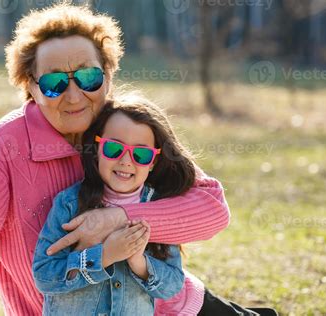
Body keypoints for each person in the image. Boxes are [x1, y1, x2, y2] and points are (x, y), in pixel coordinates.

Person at [0, 4, 232, 315]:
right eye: (54, 83)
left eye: (88, 77)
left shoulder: (126, 131)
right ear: (31, 88)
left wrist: (118, 217)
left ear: (108, 75)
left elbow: (212, 210)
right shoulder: (3, 151)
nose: (74, 96)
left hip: (179, 307)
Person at [34, 95, 278, 316]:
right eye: (114, 148)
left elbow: (172, 283)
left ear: (153, 162)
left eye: (141, 155)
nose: (126, 161)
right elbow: (45, 276)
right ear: (97, 149)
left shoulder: (159, 207)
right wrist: (104, 255)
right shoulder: (69, 204)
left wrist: (139, 264)